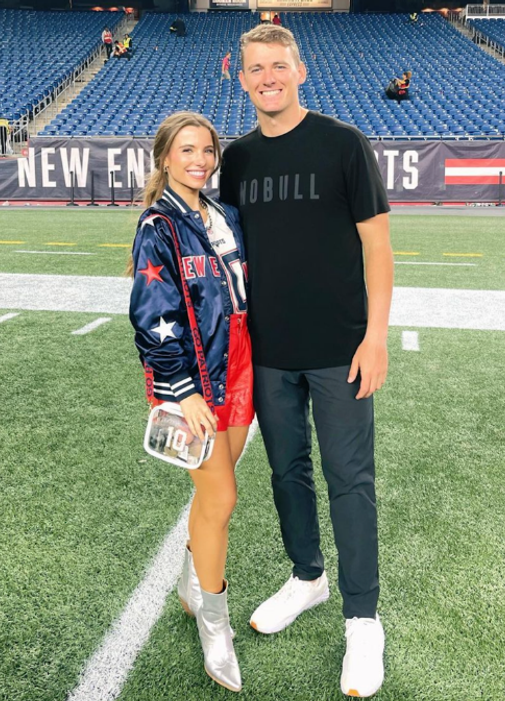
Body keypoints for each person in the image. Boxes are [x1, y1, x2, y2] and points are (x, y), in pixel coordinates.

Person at [218, 24, 392, 698]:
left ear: (300, 70)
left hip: (340, 348)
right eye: (255, 68)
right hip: (268, 352)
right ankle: (306, 576)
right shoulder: (236, 160)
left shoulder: (342, 145)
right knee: (285, 470)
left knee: (350, 479)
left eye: (278, 65)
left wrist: (373, 335)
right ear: (241, 78)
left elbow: (376, 248)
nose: (267, 77)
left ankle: (362, 618)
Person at [129, 112, 254, 693]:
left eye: (207, 149)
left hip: (241, 364)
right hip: (196, 377)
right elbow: (153, 314)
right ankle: (214, 625)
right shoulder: (159, 226)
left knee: (214, 495)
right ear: (164, 158)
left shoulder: (223, 214)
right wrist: (183, 390)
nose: (200, 159)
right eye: (187, 150)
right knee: (221, 495)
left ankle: (186, 582)